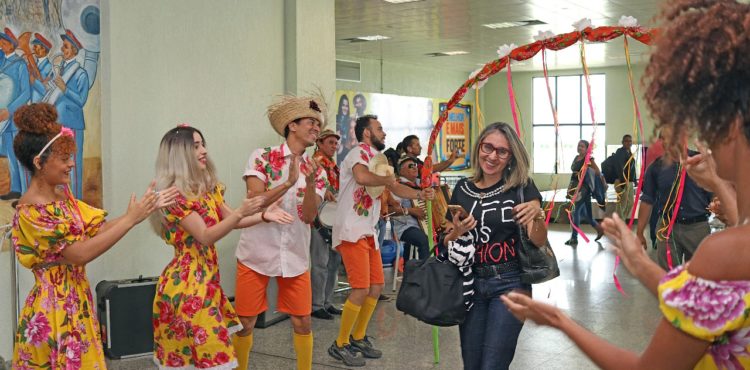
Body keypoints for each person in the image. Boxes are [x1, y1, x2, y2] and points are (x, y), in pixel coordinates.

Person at [501, 1, 750, 369]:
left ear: (729, 127)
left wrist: (560, 321)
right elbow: (702, 300)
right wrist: (639, 261)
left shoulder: (723, 252)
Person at [10, 103, 176, 369]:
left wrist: (137, 213)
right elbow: (79, 254)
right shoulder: (30, 213)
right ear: (39, 162)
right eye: (64, 159)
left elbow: (95, 231)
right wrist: (131, 219)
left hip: (78, 301)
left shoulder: (63, 197)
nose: (71, 164)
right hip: (53, 311)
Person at [150, 124, 294, 369]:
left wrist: (263, 216)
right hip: (187, 286)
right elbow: (205, 236)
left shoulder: (207, 190)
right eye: (196, 146)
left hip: (207, 282)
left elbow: (231, 221)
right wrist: (240, 212)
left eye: (202, 144)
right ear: (180, 154)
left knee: (202, 359)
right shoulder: (175, 197)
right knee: (211, 357)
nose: (204, 150)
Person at [328, 114, 435, 367]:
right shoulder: (357, 154)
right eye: (379, 129)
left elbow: (396, 188)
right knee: (361, 289)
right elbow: (363, 178)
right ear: (366, 133)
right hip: (351, 230)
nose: (384, 133)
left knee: (376, 287)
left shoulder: (380, 161)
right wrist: (388, 180)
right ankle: (340, 343)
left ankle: (358, 336)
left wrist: (421, 193)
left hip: (368, 232)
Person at [233, 94, 329, 370]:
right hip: (255, 254)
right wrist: (288, 182)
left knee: (303, 321)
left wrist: (309, 183)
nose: (315, 128)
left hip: (295, 256)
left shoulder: (317, 171)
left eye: (318, 123)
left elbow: (309, 216)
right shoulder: (262, 157)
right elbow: (254, 203)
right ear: (292, 126)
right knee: (245, 323)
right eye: (310, 121)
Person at [441, 122, 547, 370]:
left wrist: (538, 214)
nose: (492, 156)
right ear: (479, 147)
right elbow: (445, 241)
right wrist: (458, 231)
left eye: (502, 151)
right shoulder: (462, 189)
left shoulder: (522, 187)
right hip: (470, 284)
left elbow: (539, 240)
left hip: (511, 282)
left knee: (493, 365)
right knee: (472, 364)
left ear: (511, 157)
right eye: (488, 147)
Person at [636, 151, 713, 268]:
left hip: (697, 228)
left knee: (697, 274)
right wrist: (639, 232)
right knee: (668, 274)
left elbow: (715, 191)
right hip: (667, 229)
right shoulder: (656, 167)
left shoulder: (700, 161)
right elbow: (647, 200)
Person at [48, 30, 90, 199]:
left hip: (73, 123)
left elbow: (81, 101)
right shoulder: (62, 70)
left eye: (65, 47)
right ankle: (63, 199)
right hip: (59, 123)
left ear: (73, 50)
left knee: (73, 164)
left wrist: (65, 88)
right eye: (63, 46)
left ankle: (76, 200)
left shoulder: (80, 73)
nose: (62, 49)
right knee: (59, 161)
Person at [311, 129, 343, 320]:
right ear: (320, 143)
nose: (334, 146)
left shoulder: (333, 166)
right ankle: (316, 305)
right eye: (330, 142)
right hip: (317, 219)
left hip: (332, 218)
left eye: (335, 143)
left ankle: (327, 301)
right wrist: (323, 192)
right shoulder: (313, 164)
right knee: (320, 262)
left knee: (333, 261)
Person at [0, 27, 31, 200]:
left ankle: (26, 194)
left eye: (4, 43)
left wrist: (9, 110)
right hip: (3, 119)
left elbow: (26, 93)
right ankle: (16, 189)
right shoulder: (2, 62)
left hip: (16, 117)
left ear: (12, 45)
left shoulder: (20, 65)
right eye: (0, 43)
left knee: (20, 155)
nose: (1, 46)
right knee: (11, 155)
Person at [389, 155, 430, 261]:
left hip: (423, 226)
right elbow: (390, 211)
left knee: (442, 236)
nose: (415, 167)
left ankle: (437, 270)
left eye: (415, 165)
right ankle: (424, 274)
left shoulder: (421, 184)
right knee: (424, 240)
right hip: (405, 228)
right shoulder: (397, 186)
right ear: (401, 171)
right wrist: (410, 211)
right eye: (411, 166)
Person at [564, 139, 604, 246]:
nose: (580, 147)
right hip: (575, 186)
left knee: (575, 211)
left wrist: (587, 169)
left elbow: (598, 172)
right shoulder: (576, 158)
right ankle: (600, 229)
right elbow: (574, 173)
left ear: (587, 149)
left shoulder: (588, 159)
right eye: (579, 145)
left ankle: (574, 238)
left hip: (584, 188)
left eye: (582, 146)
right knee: (588, 216)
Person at [613, 134, 636, 220]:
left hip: (629, 181)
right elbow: (620, 167)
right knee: (621, 204)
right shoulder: (620, 151)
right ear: (622, 142)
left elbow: (632, 168)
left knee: (630, 203)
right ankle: (619, 223)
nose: (628, 143)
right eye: (626, 141)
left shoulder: (629, 152)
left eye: (630, 141)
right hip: (622, 181)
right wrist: (623, 182)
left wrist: (634, 181)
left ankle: (622, 220)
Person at [30, 32, 53, 103]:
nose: (33, 49)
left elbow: (47, 91)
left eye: (35, 47)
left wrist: (34, 81)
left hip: (42, 104)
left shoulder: (50, 67)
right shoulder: (34, 64)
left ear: (43, 49)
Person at [335, 94, 350, 160]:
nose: (345, 108)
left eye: (347, 106)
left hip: (345, 150)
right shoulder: (335, 118)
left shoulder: (350, 121)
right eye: (343, 105)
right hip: (335, 149)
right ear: (340, 106)